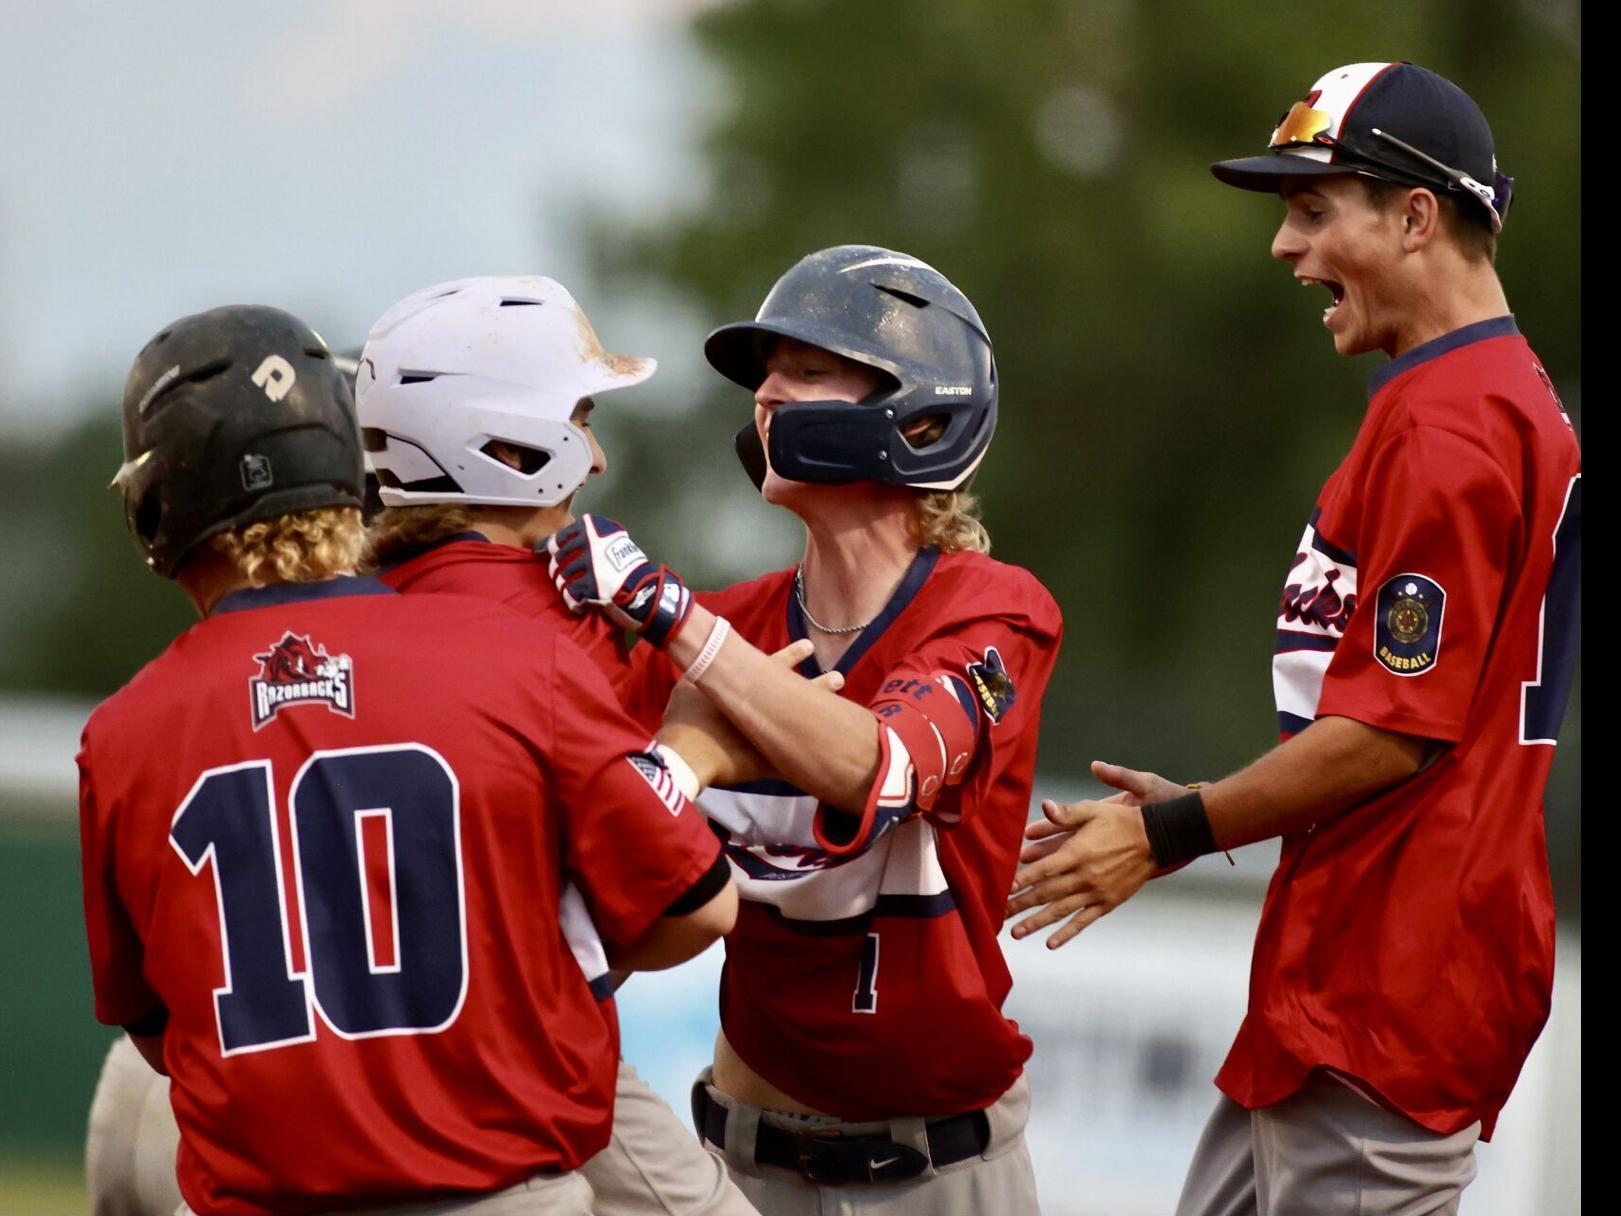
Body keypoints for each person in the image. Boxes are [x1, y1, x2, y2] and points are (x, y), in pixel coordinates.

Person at [1005, 62, 1581, 1214]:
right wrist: (1231, 798)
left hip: (1394, 986)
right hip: (1350, 965)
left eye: (1315, 209)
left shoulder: (1455, 423)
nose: (1285, 245)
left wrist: (1171, 828)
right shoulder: (1461, 399)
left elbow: (1391, 735)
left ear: (1416, 216)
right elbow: (1397, 728)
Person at [79, 304, 735, 1216]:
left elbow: (157, 1033)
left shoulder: (122, 733)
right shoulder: (510, 656)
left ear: (158, 500)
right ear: (349, 467)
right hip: (500, 1193)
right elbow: (702, 910)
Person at [547, 245, 1063, 1215]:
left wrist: (673, 621)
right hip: (742, 1158)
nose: (769, 395)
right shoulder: (724, 625)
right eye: (767, 373)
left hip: (942, 1169)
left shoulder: (994, 610)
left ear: (918, 412)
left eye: (809, 370)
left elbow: (885, 765)